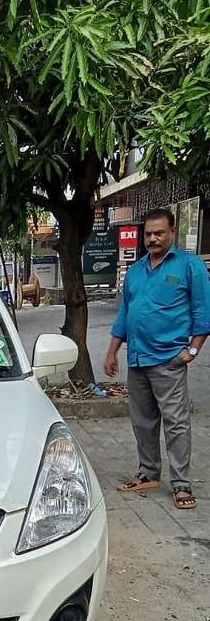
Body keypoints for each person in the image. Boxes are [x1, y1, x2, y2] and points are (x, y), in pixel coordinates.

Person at [104, 208, 210, 510]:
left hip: (169, 360)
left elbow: (203, 312)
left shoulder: (189, 266)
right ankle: (148, 473)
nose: (153, 238)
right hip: (137, 360)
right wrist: (112, 351)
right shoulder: (136, 271)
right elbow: (125, 314)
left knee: (176, 423)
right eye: (148, 234)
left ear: (172, 232)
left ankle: (181, 484)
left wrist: (192, 350)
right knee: (143, 422)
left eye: (159, 233)